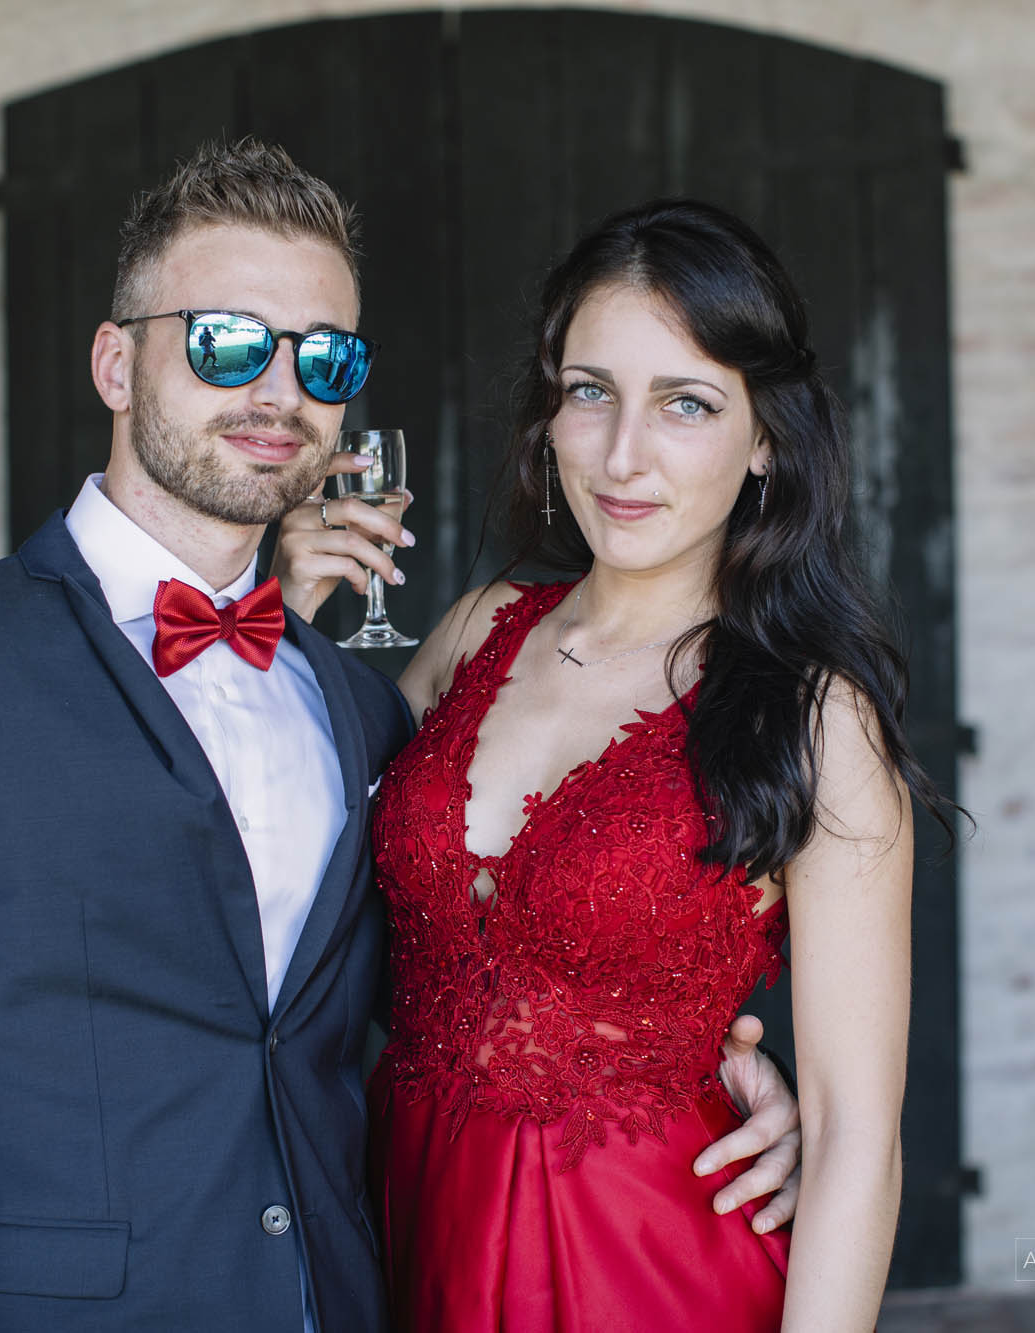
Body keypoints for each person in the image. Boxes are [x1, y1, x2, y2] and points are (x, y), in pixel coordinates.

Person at [0, 141, 803, 1332]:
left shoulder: (357, 710)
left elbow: (474, 979)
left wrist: (716, 1078)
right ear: (114, 363)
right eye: (225, 341)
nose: (277, 389)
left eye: (322, 354)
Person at [277, 198, 958, 1332]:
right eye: (590, 392)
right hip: (401, 1244)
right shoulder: (475, 630)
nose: (622, 453)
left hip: (650, 1272)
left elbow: (853, 1138)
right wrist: (288, 616)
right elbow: (268, 871)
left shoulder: (814, 717)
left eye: (686, 403)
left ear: (765, 439)